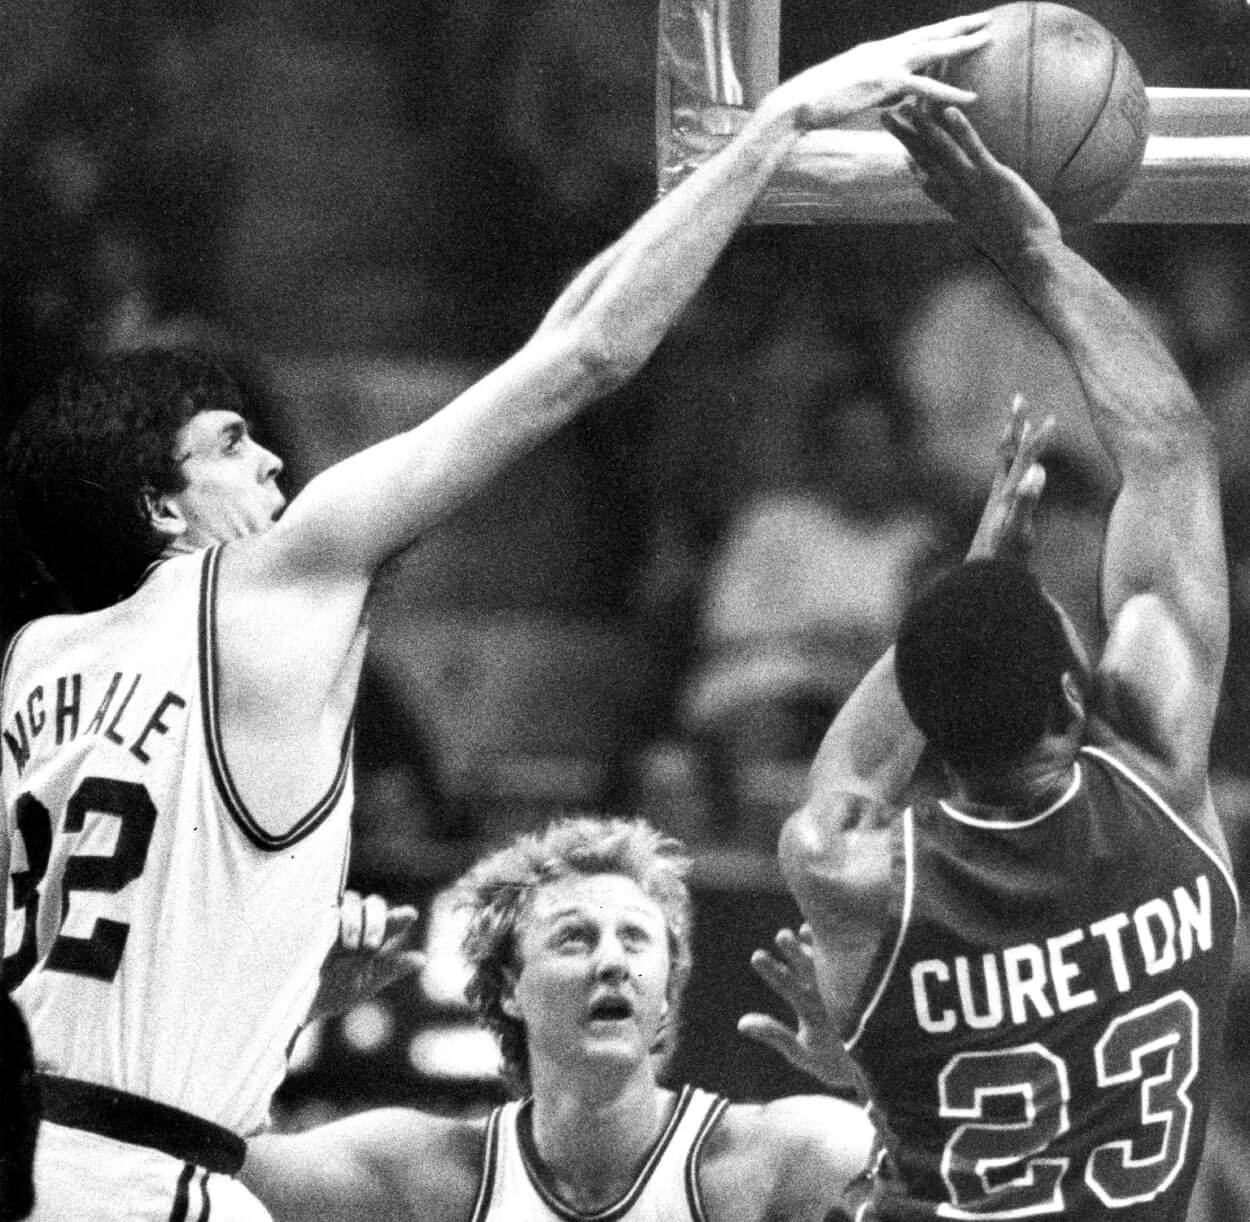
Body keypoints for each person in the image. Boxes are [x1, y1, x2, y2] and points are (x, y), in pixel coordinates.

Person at [0, 16, 993, 1221]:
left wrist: (270, 993)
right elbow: (579, 357)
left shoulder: (36, 662)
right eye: (225, 447)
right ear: (159, 503)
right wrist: (772, 128)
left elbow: (106, 972)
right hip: (146, 1183)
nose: (269, 462)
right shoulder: (264, 581)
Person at [778, 101, 1239, 1221]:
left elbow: (849, 770)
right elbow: (1172, 451)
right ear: (1074, 692)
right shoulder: (1159, 783)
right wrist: (1033, 246)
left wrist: (967, 578)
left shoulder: (856, 877)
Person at [241, 815, 875, 1222]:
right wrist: (286, 1014)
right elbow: (191, 1172)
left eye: (635, 938)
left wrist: (872, 1074)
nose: (611, 962)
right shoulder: (430, 1176)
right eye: (574, 938)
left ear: (666, 989)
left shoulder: (771, 1158)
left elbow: (964, 1180)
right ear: (511, 986)